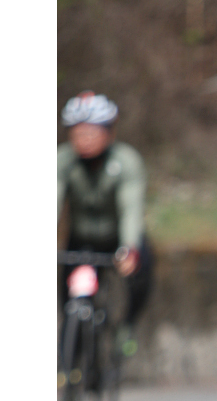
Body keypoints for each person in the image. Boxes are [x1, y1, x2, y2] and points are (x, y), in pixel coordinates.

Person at [57, 92, 152, 354]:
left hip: (118, 238)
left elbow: (131, 209)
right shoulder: (63, 161)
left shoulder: (126, 161)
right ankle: (71, 354)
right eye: (78, 133)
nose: (85, 139)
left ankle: (127, 325)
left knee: (142, 271)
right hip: (82, 239)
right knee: (67, 292)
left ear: (109, 133)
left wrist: (129, 247)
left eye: (92, 132)